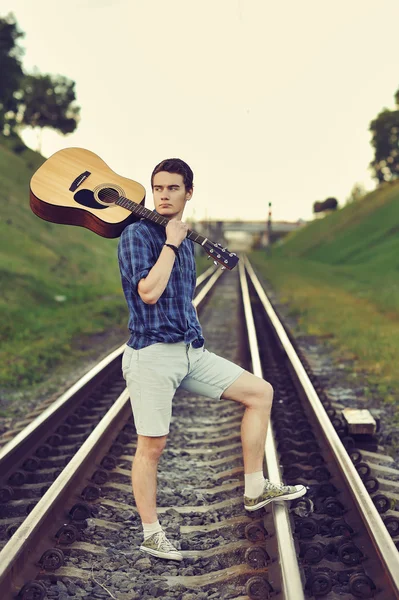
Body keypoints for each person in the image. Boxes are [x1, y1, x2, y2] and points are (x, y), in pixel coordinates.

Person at [117, 158, 306, 562]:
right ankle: (151, 534)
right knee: (152, 446)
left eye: (172, 188)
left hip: (190, 351)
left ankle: (255, 488)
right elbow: (148, 292)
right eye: (158, 188)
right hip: (150, 355)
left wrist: (177, 241)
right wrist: (169, 242)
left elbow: (182, 301)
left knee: (260, 392)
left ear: (189, 192)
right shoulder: (137, 235)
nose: (164, 195)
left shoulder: (185, 241)